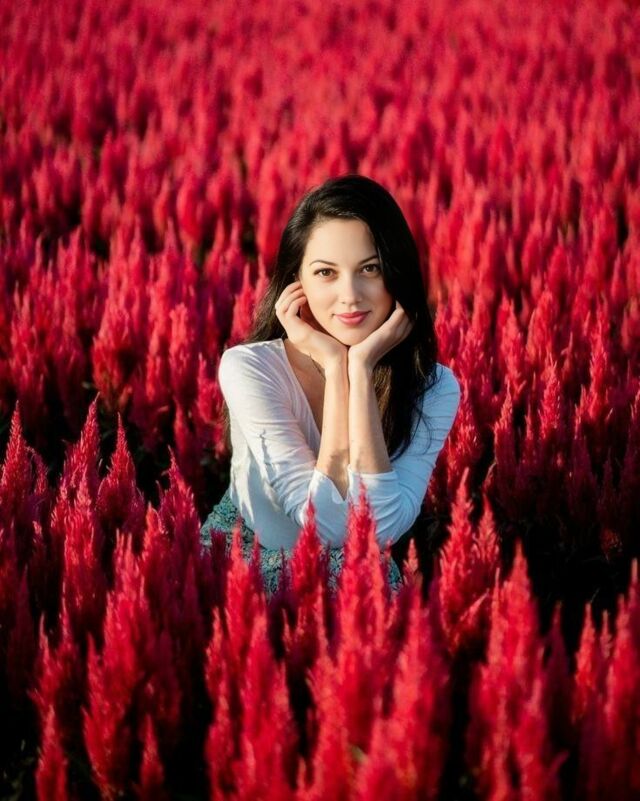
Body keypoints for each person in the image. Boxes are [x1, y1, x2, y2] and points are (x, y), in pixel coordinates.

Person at [200, 174, 461, 597]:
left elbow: (377, 531)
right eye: (326, 272)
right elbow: (323, 525)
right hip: (246, 562)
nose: (350, 295)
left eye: (370, 269)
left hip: (355, 576)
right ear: (296, 282)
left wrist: (359, 369)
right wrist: (337, 365)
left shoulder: (434, 387)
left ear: (397, 273)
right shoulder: (250, 369)